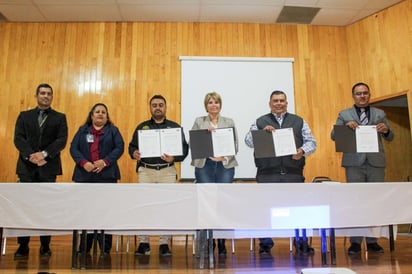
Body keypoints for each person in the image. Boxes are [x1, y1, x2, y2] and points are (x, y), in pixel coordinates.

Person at [244, 90, 317, 256]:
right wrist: (261, 133)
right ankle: (265, 244)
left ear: (286, 103)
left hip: (293, 172)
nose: (279, 103)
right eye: (275, 101)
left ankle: (301, 242)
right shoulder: (260, 121)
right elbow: (248, 141)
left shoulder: (299, 121)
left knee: (297, 210)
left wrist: (301, 151)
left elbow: (312, 142)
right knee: (265, 209)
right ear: (270, 104)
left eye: (282, 101)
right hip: (267, 173)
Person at [331, 82, 394, 255]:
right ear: (353, 96)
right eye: (358, 93)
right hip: (354, 163)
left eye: (365, 93)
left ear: (369, 95)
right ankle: (356, 242)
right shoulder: (344, 114)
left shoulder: (380, 113)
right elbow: (334, 135)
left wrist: (386, 130)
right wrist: (345, 127)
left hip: (376, 162)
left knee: (375, 202)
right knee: (355, 202)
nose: (362, 96)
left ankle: (373, 241)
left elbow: (391, 136)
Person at [128, 94, 189, 257]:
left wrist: (174, 158)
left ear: (165, 107)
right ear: (150, 108)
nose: (157, 107)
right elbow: (132, 146)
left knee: (167, 207)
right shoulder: (142, 127)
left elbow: (184, 149)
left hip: (167, 171)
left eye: (161, 105)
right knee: (144, 206)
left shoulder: (174, 128)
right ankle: (143, 242)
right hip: (146, 171)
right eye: (154, 105)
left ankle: (164, 243)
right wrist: (134, 152)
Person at [13, 83, 68, 258]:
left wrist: (44, 154)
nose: (46, 96)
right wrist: (31, 155)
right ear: (36, 96)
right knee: (25, 208)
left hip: (48, 167)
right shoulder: (24, 116)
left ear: (52, 97)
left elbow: (61, 140)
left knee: (46, 208)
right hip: (26, 167)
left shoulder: (59, 117)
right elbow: (18, 139)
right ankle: (23, 246)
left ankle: (45, 246)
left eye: (49, 94)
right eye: (42, 93)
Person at [70, 103, 124, 255]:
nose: (100, 114)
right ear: (92, 115)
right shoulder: (82, 131)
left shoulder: (113, 131)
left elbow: (119, 148)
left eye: (103, 112)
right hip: (84, 176)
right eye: (97, 112)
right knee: (85, 212)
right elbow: (73, 148)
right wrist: (83, 163)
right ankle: (84, 246)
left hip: (107, 177)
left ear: (107, 116)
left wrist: (105, 161)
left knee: (105, 211)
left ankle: (105, 247)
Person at [191, 91, 238, 255]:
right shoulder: (199, 121)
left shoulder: (229, 121)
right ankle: (208, 241)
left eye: (216, 102)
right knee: (206, 203)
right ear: (206, 106)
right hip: (205, 164)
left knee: (223, 203)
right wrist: (205, 135)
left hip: (224, 165)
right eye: (210, 102)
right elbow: (194, 143)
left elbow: (235, 145)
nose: (213, 105)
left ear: (220, 105)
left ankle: (222, 241)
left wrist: (223, 157)